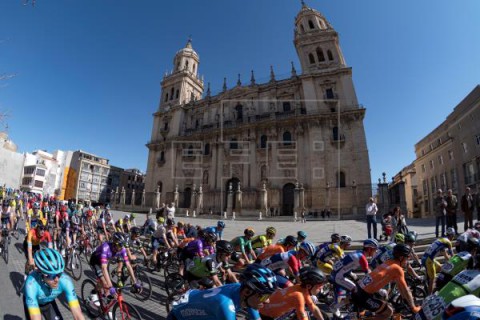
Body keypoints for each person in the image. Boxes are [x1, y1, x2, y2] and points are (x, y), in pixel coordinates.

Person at [167, 263, 278, 320]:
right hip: (179, 316)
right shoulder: (225, 305)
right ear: (247, 292)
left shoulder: (242, 290)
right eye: (264, 296)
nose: (267, 301)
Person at [352, 244, 421, 320]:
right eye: (407, 258)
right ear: (401, 257)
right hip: (363, 295)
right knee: (388, 312)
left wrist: (405, 298)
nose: (408, 260)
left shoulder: (389, 262)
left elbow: (400, 287)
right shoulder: (397, 269)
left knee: (385, 303)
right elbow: (406, 290)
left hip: (358, 289)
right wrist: (413, 307)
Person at [23, 248, 85, 320]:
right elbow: (35, 318)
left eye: (59, 274)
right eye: (52, 276)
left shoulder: (65, 280)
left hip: (48, 302)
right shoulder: (31, 284)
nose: (57, 279)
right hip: (33, 302)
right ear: (41, 273)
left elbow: (77, 314)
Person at [259, 267, 327, 320]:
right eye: (319, 286)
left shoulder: (301, 289)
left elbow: (313, 308)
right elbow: (303, 318)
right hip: (265, 316)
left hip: (268, 310)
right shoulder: (298, 296)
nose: (321, 289)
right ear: (309, 286)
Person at [422, 227, 455, 294]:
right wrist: (454, 264)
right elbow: (452, 256)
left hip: (426, 258)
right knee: (432, 279)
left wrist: (449, 262)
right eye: (453, 236)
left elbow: (445, 255)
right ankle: (429, 296)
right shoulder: (448, 242)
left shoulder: (441, 240)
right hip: (429, 260)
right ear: (451, 235)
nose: (453, 238)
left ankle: (429, 281)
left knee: (440, 268)